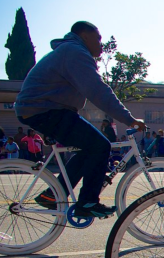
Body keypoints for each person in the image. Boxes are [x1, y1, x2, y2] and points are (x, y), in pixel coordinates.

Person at [14, 21, 145, 217]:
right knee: (100, 146)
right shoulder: (75, 52)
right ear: (84, 36)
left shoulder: (70, 51)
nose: (101, 44)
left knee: (91, 147)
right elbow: (97, 91)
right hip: (44, 110)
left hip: (45, 109)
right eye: (98, 39)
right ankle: (88, 203)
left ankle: (54, 194)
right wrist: (129, 119)